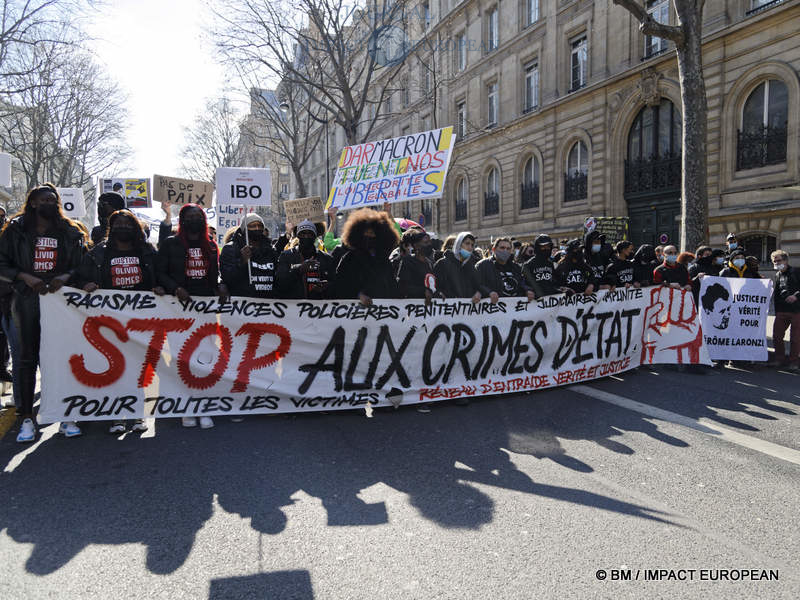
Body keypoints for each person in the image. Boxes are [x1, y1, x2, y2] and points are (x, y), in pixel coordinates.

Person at [0, 184, 86, 442]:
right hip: (26, 299)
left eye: (53, 200)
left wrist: (66, 276)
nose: (49, 203)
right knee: (27, 358)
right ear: (33, 203)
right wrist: (25, 277)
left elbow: (82, 262)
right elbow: (2, 262)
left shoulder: (69, 230)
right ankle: (27, 418)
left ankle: (66, 414)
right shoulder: (15, 229)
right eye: (44, 199)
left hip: (60, 300)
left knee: (61, 358)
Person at [74, 209, 163, 434]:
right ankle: (117, 415)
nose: (123, 227)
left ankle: (138, 413)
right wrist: (85, 285)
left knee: (138, 366)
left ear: (135, 228)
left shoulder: (147, 251)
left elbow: (161, 274)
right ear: (111, 228)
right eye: (118, 224)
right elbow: (80, 276)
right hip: (109, 319)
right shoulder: (99, 253)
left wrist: (159, 287)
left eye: (127, 224)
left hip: (140, 318)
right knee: (114, 366)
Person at [156, 203, 228, 430]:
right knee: (182, 358)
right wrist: (175, 288)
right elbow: (160, 272)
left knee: (205, 357)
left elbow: (215, 274)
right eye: (189, 216)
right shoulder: (171, 244)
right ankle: (186, 407)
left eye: (198, 216)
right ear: (182, 220)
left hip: (205, 310)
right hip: (178, 310)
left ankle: (203, 405)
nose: (194, 219)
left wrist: (220, 285)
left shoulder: (211, 245)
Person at [335, 208, 399, 304]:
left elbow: (392, 285)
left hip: (382, 308)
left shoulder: (383, 259)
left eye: (372, 233)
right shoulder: (349, 258)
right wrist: (358, 295)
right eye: (366, 233)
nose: (369, 236)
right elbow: (340, 284)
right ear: (358, 235)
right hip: (356, 309)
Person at [220, 213, 285, 298]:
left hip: (268, 302)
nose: (257, 228)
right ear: (244, 229)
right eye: (252, 226)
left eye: (260, 226)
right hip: (243, 302)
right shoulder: (231, 248)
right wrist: (242, 261)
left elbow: (279, 277)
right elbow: (228, 278)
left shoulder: (270, 249)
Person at [276, 219, 336, 299]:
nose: (306, 237)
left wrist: (326, 287)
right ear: (298, 236)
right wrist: (299, 269)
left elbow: (335, 285)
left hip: (319, 305)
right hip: (294, 304)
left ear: (315, 236)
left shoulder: (326, 258)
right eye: (303, 234)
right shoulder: (286, 256)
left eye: (310, 234)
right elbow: (280, 283)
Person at [475, 237, 535, 303]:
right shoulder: (482, 265)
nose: (505, 251)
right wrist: (488, 292)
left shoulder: (516, 267)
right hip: (494, 306)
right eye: (502, 248)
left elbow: (522, 282)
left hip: (514, 306)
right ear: (494, 249)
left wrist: (527, 290)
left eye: (508, 249)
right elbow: (476, 284)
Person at [769, 250, 799, 370]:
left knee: (795, 339)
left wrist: (796, 296)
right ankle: (779, 359)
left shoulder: (796, 272)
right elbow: (777, 294)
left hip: (797, 310)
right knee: (777, 336)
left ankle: (794, 362)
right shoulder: (777, 275)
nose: (776, 263)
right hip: (782, 311)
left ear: (786, 260)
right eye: (774, 261)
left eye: (779, 260)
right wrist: (777, 311)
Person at [433, 231, 480, 301]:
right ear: (458, 244)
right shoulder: (442, 264)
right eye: (467, 243)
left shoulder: (471, 266)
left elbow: (478, 285)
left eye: (472, 245)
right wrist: (439, 294)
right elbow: (435, 287)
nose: (470, 247)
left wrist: (479, 293)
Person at [396, 229, 437, 300]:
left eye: (430, 242)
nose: (429, 245)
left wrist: (438, 292)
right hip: (412, 304)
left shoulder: (430, 263)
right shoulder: (407, 261)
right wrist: (423, 291)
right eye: (426, 242)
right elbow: (403, 287)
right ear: (416, 246)